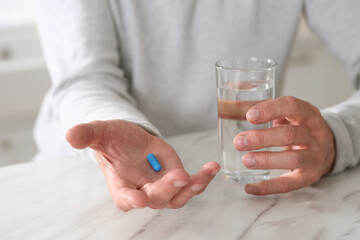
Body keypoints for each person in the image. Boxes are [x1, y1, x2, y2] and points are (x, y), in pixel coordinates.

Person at [34, 0, 360, 211]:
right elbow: (85, 79)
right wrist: (116, 136)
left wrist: (337, 135)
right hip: (85, 191)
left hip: (237, 196)